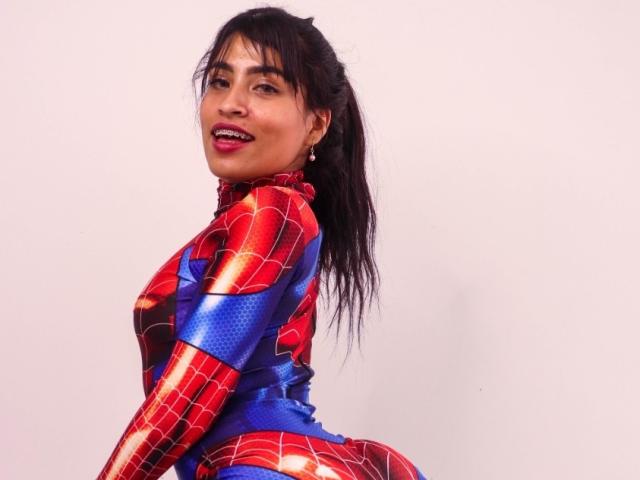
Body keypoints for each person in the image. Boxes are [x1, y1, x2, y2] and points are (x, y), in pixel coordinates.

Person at [97, 6, 427, 480]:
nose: (231, 103)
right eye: (219, 81)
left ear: (316, 125)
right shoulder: (257, 219)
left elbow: (186, 394)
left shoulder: (274, 212)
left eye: (265, 87)